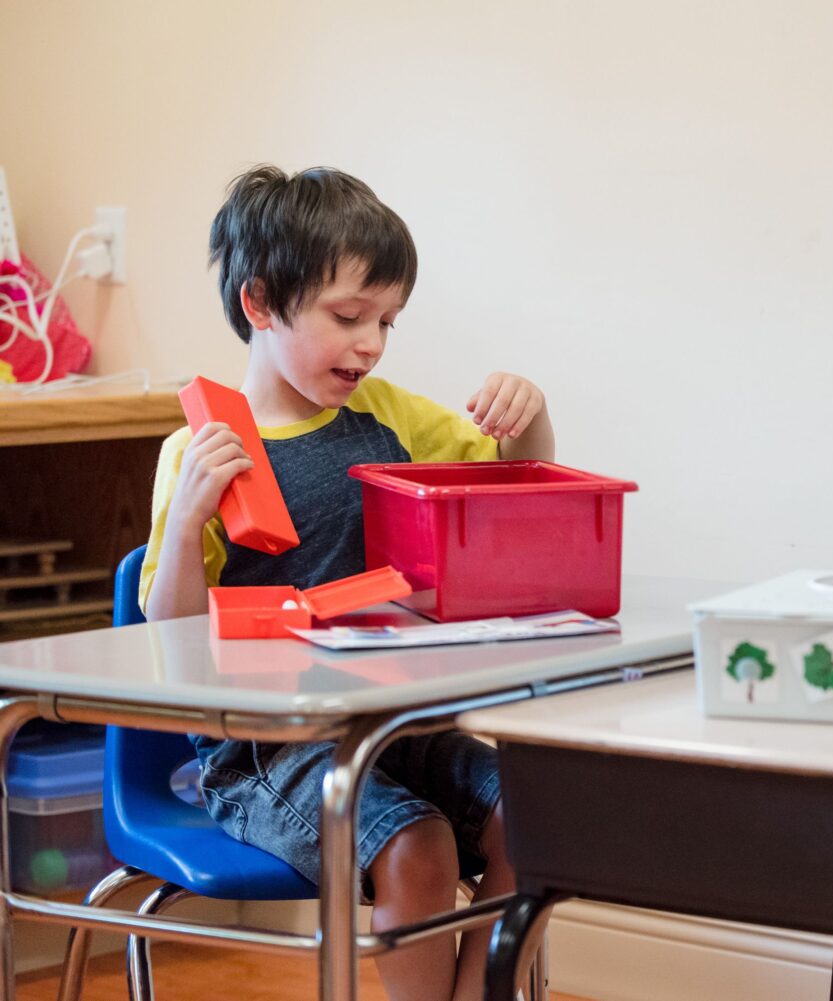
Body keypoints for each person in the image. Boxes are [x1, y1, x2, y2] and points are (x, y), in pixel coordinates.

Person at [140, 165, 554, 1001]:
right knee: (419, 844)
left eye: (388, 321)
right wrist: (188, 522)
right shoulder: (202, 448)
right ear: (260, 304)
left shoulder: (392, 417)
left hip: (392, 721)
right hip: (266, 745)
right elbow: (164, 632)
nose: (370, 343)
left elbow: (522, 486)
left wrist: (529, 413)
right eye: (348, 316)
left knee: (540, 808)